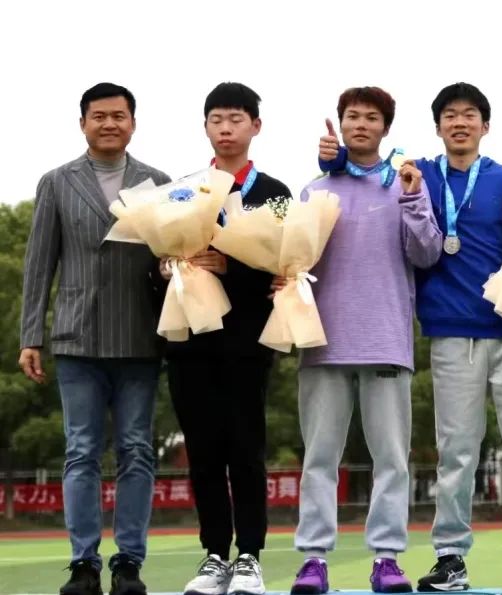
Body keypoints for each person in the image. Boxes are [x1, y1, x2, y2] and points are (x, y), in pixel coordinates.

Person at [318, 82, 502, 592]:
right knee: (456, 451)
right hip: (452, 332)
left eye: (469, 114)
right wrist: (336, 157)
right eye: (450, 115)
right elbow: (367, 170)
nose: (459, 122)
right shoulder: (419, 175)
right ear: (437, 127)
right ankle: (450, 557)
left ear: (485, 126)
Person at [289, 86, 442, 595]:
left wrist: (415, 199)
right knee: (319, 458)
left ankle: (387, 558)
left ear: (385, 128)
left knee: (391, 460)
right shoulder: (314, 191)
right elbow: (293, 262)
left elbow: (426, 254)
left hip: (385, 338)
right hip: (323, 342)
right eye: (352, 116)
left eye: (371, 117)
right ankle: (313, 559)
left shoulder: (405, 184)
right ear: (340, 124)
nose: (360, 124)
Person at [19, 82, 170, 595]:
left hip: (139, 337)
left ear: (133, 123)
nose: (109, 123)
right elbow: (39, 264)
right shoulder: (56, 183)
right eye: (99, 116)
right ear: (82, 123)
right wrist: (31, 336)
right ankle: (83, 563)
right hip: (76, 338)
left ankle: (128, 563)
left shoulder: (158, 183)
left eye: (118, 115)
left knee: (137, 450)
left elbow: (173, 257)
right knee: (80, 450)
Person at [163, 82, 292, 595]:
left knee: (245, 450)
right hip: (190, 340)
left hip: (246, 342)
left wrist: (230, 266)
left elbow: (285, 268)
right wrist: (166, 266)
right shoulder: (183, 190)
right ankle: (215, 553)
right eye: (216, 119)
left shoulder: (273, 192)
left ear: (255, 126)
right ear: (205, 127)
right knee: (202, 451)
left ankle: (250, 556)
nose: (226, 128)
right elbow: (156, 261)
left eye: (236, 119)